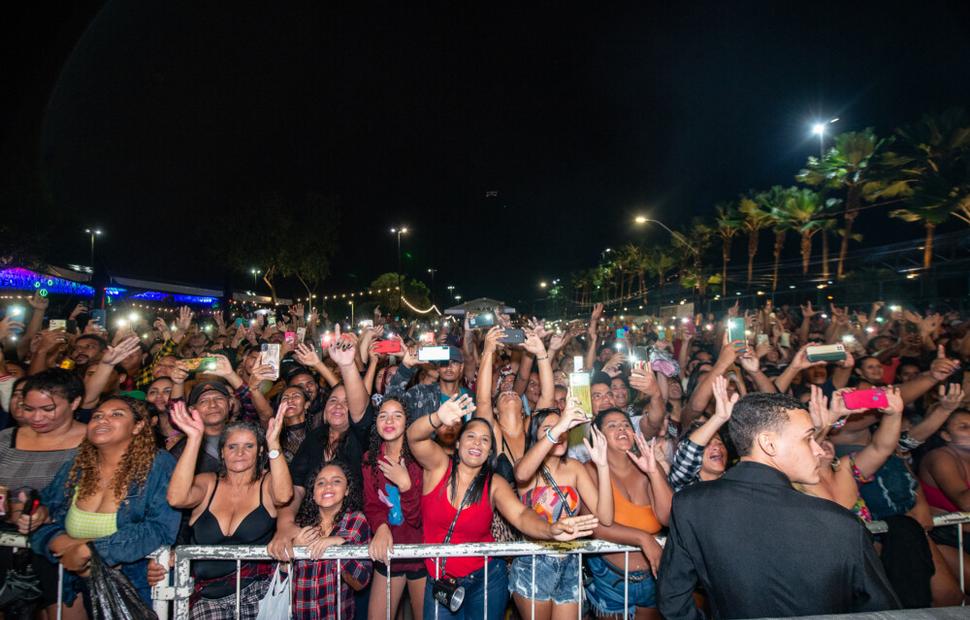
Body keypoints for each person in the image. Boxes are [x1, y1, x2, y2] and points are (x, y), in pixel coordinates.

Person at [657, 391, 900, 619]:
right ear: (769, 444)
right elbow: (881, 612)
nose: (818, 450)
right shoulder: (839, 523)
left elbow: (672, 600)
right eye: (808, 439)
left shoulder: (691, 505)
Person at [408, 394, 599, 620]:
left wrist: (551, 529)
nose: (477, 443)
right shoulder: (439, 467)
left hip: (486, 581)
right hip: (441, 580)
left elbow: (521, 515)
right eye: (470, 436)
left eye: (485, 440)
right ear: (458, 443)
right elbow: (415, 438)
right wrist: (437, 417)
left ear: (490, 452)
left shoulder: (494, 484)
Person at [32, 396, 180, 611]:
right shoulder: (78, 465)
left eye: (116, 414)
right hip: (72, 582)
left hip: (134, 582)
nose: (102, 420)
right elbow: (42, 517)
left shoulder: (159, 464)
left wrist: (91, 550)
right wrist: (56, 540)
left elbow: (159, 529)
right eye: (97, 416)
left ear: (138, 426)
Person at [167, 400, 293, 619]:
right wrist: (194, 439)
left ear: (259, 450)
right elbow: (176, 498)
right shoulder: (208, 483)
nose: (240, 453)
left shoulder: (267, 483)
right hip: (207, 598)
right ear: (222, 452)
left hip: (258, 594)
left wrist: (273, 444)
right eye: (232, 446)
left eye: (249, 446)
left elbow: (284, 495)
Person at [509, 403, 613, 620]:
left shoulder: (574, 467)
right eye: (547, 428)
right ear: (536, 436)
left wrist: (602, 467)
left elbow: (606, 517)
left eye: (562, 428)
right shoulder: (526, 466)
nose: (559, 432)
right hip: (534, 561)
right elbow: (520, 474)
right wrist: (557, 428)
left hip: (570, 561)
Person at [0, 369, 87, 618]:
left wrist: (48, 513)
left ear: (75, 402)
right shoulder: (6, 439)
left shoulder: (95, 440)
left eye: (48, 409)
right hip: (6, 545)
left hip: (62, 548)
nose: (36, 417)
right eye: (28, 409)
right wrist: (13, 506)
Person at [584, 408, 671, 620]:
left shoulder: (648, 464)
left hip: (653, 576)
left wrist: (654, 473)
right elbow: (595, 526)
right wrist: (643, 538)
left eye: (625, 424)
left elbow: (667, 517)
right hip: (610, 577)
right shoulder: (589, 470)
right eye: (612, 426)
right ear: (598, 436)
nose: (621, 428)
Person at [362, 398, 425, 620]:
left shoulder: (419, 459)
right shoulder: (370, 459)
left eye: (397, 415)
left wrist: (405, 485)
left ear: (408, 422)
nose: (389, 420)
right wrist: (380, 527)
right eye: (383, 415)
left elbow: (418, 518)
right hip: (390, 552)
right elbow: (371, 504)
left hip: (421, 553)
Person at [291, 461, 373, 620]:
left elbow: (360, 582)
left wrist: (339, 544)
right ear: (313, 494)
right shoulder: (300, 526)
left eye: (336, 481)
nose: (328, 486)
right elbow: (279, 576)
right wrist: (293, 550)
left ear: (347, 490)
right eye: (321, 482)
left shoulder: (356, 521)